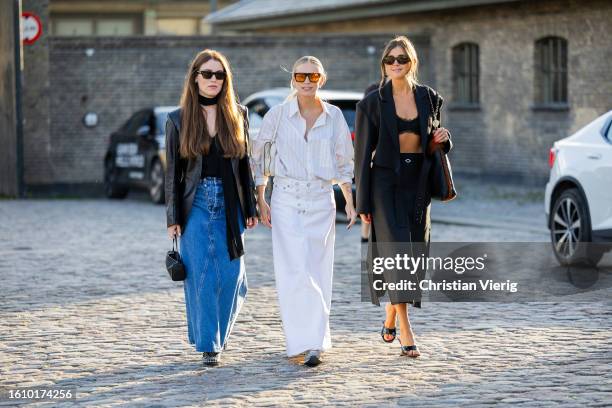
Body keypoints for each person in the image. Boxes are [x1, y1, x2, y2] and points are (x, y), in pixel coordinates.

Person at [251, 56, 356, 367]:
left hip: (322, 201)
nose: (307, 81)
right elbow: (262, 158)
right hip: (285, 199)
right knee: (294, 270)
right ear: (293, 79)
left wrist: (349, 200)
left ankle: (314, 343)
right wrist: (261, 196)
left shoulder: (334, 116)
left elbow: (344, 162)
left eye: (313, 76)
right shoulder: (278, 115)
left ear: (321, 79)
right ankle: (304, 340)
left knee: (318, 270)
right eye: (301, 75)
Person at [354, 36, 453, 358]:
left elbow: (436, 138)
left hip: (419, 181)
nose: (396, 63)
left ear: (412, 62)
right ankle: (407, 331)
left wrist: (443, 138)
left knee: (415, 253)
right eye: (390, 59)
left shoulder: (429, 97)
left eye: (402, 58)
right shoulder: (371, 103)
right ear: (383, 64)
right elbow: (362, 155)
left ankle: (391, 315)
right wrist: (363, 203)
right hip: (385, 184)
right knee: (397, 253)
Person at [165, 49, 258, 366]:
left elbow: (245, 166)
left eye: (220, 74)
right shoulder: (178, 119)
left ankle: (214, 334)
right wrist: (173, 217)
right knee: (202, 276)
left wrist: (251, 206)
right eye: (207, 74)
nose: (214, 79)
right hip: (197, 203)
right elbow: (172, 174)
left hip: (231, 202)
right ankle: (210, 345)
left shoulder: (239, 113)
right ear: (195, 77)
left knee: (234, 276)